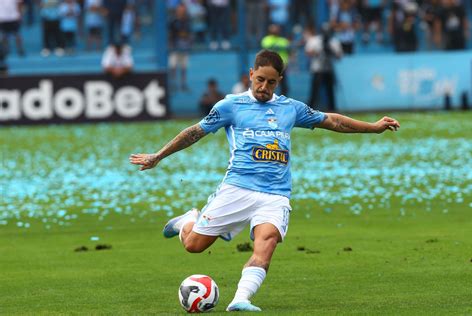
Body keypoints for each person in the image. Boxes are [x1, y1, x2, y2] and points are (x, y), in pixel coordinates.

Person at [129, 50, 400, 312]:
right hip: (237, 188)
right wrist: (158, 155)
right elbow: (194, 133)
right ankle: (187, 221)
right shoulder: (230, 105)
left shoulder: (290, 108)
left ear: (279, 80)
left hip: (275, 194)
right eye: (260, 80)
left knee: (267, 241)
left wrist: (374, 127)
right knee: (194, 246)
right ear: (251, 74)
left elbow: (333, 121)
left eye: (271, 82)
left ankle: (240, 299)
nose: (263, 87)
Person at [305, 24, 343, 112]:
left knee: (330, 91)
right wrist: (318, 51)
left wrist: (331, 51)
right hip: (317, 69)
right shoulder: (315, 40)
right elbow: (308, 52)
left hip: (328, 69)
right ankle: (308, 110)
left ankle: (332, 110)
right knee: (314, 91)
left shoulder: (334, 41)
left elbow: (339, 56)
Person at [261, 24, 290, 96]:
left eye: (276, 29)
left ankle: (282, 103)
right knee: (270, 85)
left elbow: (288, 52)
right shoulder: (266, 39)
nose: (275, 30)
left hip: (282, 67)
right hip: (270, 67)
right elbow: (267, 48)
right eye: (273, 29)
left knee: (284, 87)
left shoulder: (283, 40)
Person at [169, 3, 192, 91]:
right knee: (173, 66)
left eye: (183, 9)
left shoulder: (187, 20)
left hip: (184, 47)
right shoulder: (173, 21)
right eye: (179, 9)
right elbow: (171, 34)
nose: (181, 11)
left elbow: (188, 33)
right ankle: (173, 84)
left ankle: (183, 84)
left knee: (183, 67)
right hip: (175, 47)